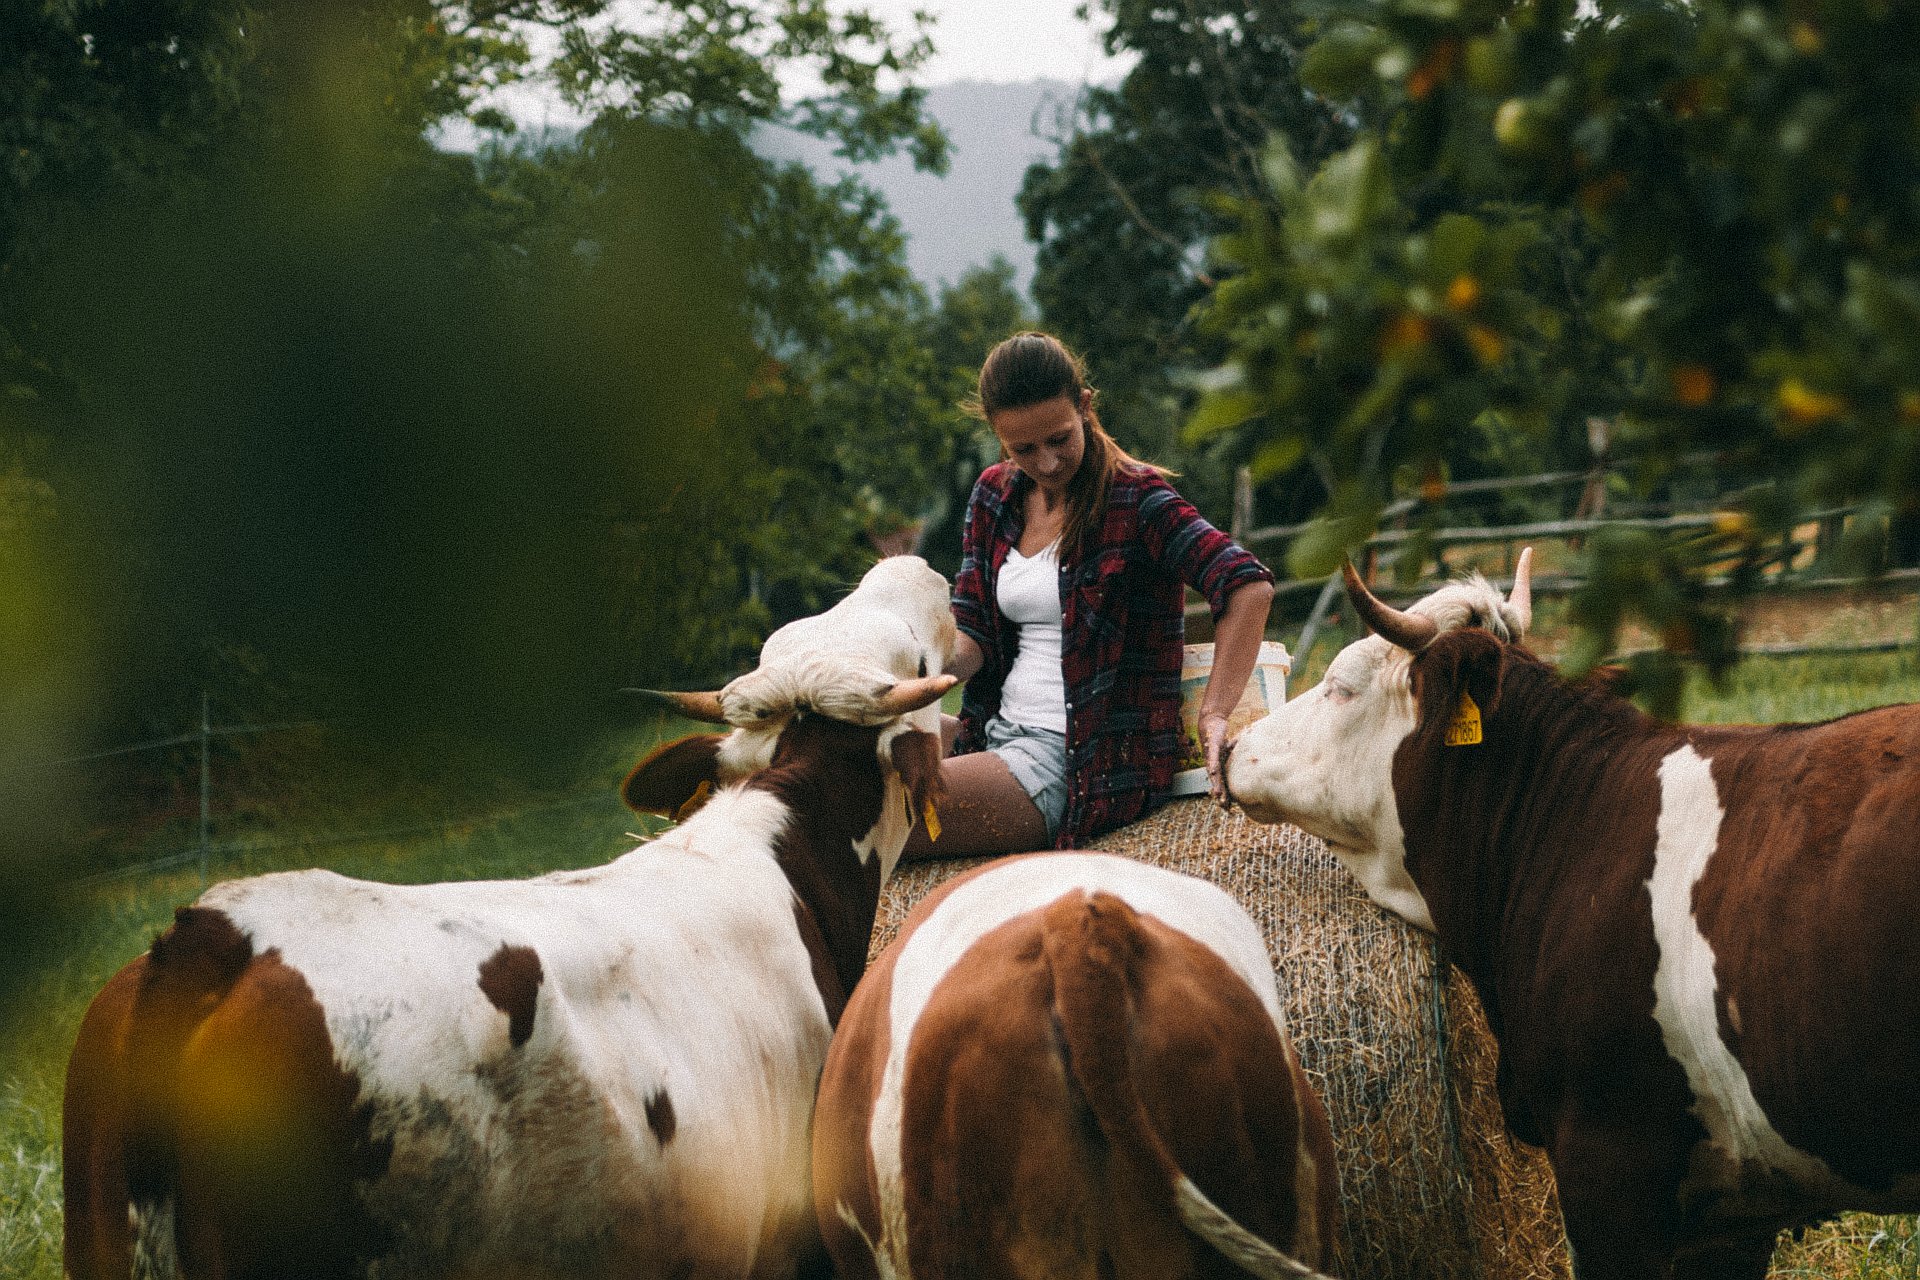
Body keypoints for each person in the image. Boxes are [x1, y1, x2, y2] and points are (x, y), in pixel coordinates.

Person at [903, 331, 1275, 858]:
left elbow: (1246, 584)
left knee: (878, 810)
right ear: (996, 433)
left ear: (1085, 406)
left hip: (1079, 762)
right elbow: (974, 635)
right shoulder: (993, 493)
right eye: (1023, 449)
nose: (1048, 462)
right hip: (991, 729)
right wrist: (908, 684)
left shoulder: (1138, 498)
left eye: (1059, 438)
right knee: (813, 762)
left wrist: (1215, 712)